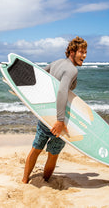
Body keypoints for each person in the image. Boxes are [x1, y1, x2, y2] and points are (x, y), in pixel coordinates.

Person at [22, 36, 87, 184]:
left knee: (36, 148)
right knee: (53, 154)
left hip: (45, 116)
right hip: (58, 119)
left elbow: (39, 76)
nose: (84, 55)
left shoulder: (56, 63)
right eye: (81, 52)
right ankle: (45, 180)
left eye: (85, 52)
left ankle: (25, 180)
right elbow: (62, 91)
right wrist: (60, 120)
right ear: (72, 51)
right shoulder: (72, 70)